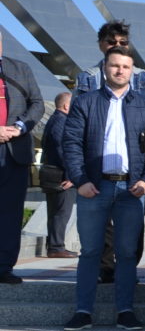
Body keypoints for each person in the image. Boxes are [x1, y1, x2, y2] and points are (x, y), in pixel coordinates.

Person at [60, 46, 145, 331]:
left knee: (128, 252)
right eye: (115, 65)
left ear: (133, 71)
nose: (120, 71)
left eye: (126, 67)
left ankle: (126, 311)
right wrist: (80, 181)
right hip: (95, 187)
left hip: (132, 190)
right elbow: (71, 144)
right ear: (105, 68)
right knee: (91, 250)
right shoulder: (86, 102)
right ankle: (83, 311)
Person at [0, 32, 43, 284]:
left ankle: (4, 266)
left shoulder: (20, 69)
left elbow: (36, 103)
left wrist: (19, 127)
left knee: (10, 211)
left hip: (15, 150)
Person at [39, 92, 77, 259]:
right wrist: (71, 175)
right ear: (66, 106)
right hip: (60, 175)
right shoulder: (61, 121)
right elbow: (63, 150)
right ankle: (56, 247)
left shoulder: (53, 120)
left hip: (51, 173)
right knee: (61, 212)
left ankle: (54, 245)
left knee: (55, 212)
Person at [75, 20, 145, 98]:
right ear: (100, 45)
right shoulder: (86, 78)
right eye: (112, 42)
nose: (117, 45)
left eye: (123, 42)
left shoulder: (143, 77)